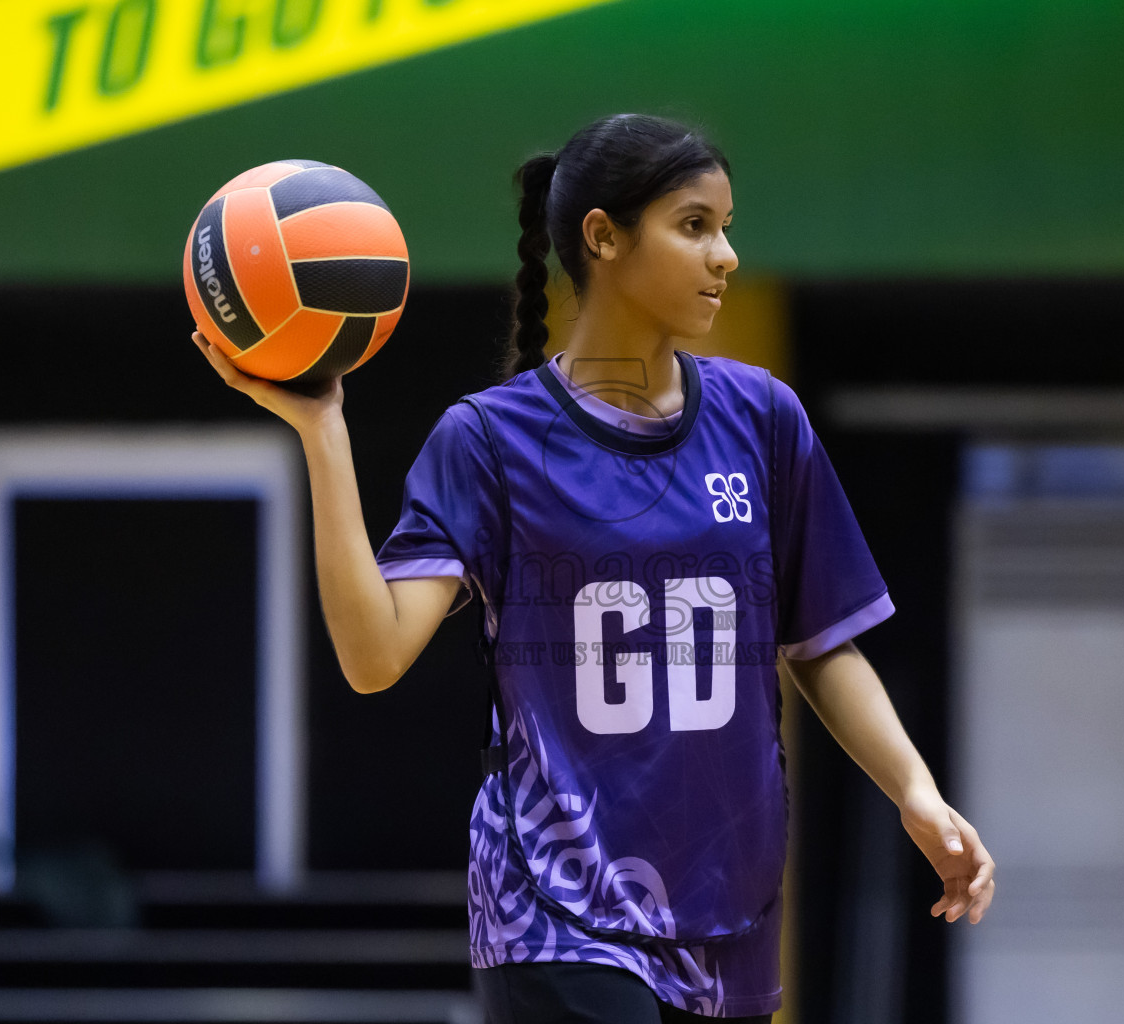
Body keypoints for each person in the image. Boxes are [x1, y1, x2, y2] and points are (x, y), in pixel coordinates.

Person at [192, 113, 994, 1023]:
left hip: (722, 899)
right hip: (554, 903)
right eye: (695, 226)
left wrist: (917, 793)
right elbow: (373, 658)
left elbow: (819, 645)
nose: (725, 255)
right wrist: (322, 432)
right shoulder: (489, 439)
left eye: (726, 227)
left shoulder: (765, 420)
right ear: (603, 237)